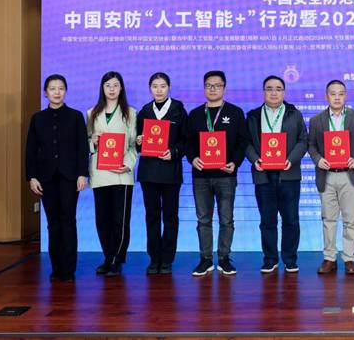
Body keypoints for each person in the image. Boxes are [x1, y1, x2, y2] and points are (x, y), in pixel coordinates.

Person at [25, 74, 89, 282]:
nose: (57, 92)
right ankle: (56, 267)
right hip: (46, 178)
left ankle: (68, 269)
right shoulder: (37, 118)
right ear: (46, 93)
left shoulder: (75, 116)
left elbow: (82, 147)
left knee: (68, 220)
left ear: (65, 91)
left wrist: (83, 174)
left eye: (61, 88)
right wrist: (32, 177)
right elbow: (31, 151)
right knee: (53, 223)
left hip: (70, 177)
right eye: (52, 88)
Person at [185, 70, 249, 277]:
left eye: (217, 85)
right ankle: (205, 259)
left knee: (226, 219)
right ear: (204, 88)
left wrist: (235, 163)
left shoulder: (235, 112)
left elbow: (242, 142)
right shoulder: (195, 114)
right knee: (203, 220)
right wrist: (192, 158)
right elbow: (187, 142)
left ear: (224, 88)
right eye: (209, 85)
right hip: (201, 175)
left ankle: (224, 258)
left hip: (226, 175)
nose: (213, 89)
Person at [245, 75, 308, 274]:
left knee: (291, 220)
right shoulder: (253, 116)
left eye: (278, 89)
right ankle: (270, 259)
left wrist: (291, 159)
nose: (274, 92)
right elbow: (246, 142)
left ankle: (290, 259)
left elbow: (303, 140)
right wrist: (255, 159)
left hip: (288, 174)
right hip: (263, 175)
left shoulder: (294, 114)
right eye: (269, 89)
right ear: (263, 92)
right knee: (267, 221)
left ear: (284, 92)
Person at [308, 79, 354, 275]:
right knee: (329, 219)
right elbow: (311, 146)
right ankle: (329, 258)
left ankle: (349, 258)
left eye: (341, 93)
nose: (337, 97)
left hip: (349, 175)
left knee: (350, 219)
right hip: (327, 175)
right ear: (326, 96)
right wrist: (318, 160)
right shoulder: (316, 120)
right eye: (333, 93)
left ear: (346, 96)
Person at [135, 72, 187, 275]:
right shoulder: (144, 112)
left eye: (163, 86)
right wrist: (139, 141)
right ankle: (154, 258)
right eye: (155, 86)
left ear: (169, 87)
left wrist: (173, 152)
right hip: (149, 172)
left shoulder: (178, 110)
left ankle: (167, 259)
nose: (159, 90)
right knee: (152, 216)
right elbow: (138, 143)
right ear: (150, 88)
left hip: (170, 171)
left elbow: (186, 141)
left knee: (170, 216)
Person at [87, 71, 138, 277]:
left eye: (116, 85)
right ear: (102, 88)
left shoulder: (130, 113)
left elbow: (134, 145)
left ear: (121, 88)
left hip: (121, 173)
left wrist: (128, 164)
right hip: (100, 173)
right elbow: (86, 141)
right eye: (108, 85)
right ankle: (107, 257)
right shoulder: (92, 113)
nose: (112, 89)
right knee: (102, 220)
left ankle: (117, 258)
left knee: (120, 220)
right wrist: (93, 142)